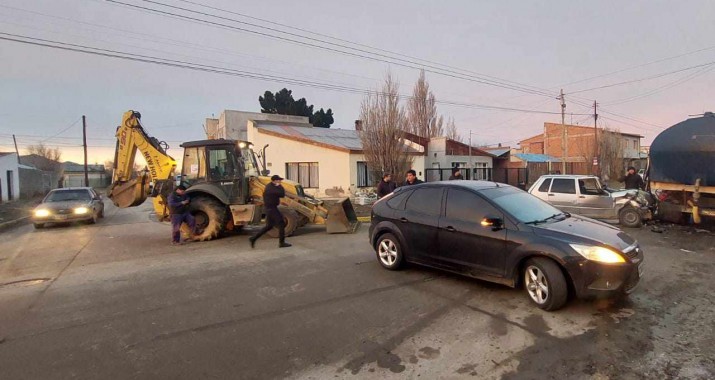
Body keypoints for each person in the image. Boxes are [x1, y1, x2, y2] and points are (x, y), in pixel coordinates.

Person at [249, 175, 292, 248]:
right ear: (274, 181)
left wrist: (278, 186)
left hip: (270, 208)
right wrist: (279, 186)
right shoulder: (271, 188)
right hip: (271, 208)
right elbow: (282, 194)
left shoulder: (271, 186)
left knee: (269, 226)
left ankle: (253, 238)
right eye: (279, 180)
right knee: (281, 223)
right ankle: (281, 243)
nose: (280, 181)